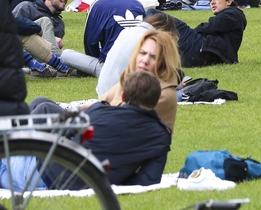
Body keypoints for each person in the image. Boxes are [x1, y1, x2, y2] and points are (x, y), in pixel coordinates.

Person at [29, 72, 171, 186]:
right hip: (84, 179)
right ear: (157, 101)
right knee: (41, 104)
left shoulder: (100, 110)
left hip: (48, 172)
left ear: (122, 96)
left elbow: (66, 132)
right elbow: (148, 179)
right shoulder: (161, 135)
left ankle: (12, 144)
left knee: (42, 108)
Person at [61, 0, 145, 77]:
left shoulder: (98, 5)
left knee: (66, 54)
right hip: (140, 64)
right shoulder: (137, 4)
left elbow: (90, 42)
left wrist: (96, 58)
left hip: (111, 68)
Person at [96, 28, 180, 131]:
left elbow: (121, 122)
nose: (145, 61)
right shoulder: (130, 80)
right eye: (143, 53)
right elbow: (98, 105)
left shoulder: (161, 94)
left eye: (154, 57)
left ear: (163, 63)